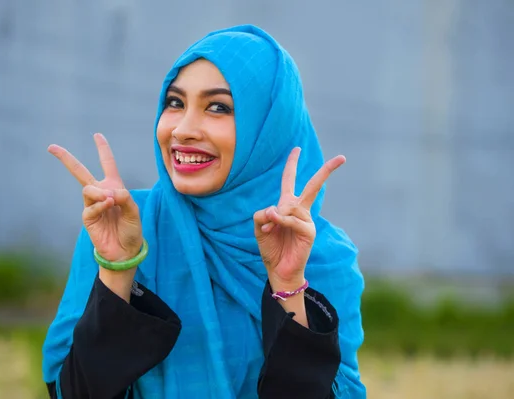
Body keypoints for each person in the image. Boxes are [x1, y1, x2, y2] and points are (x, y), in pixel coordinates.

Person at [41, 24, 366, 399]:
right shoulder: (124, 225)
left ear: (269, 129)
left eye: (218, 107)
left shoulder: (322, 255)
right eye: (175, 102)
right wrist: (118, 270)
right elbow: (73, 392)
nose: (183, 129)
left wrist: (289, 285)